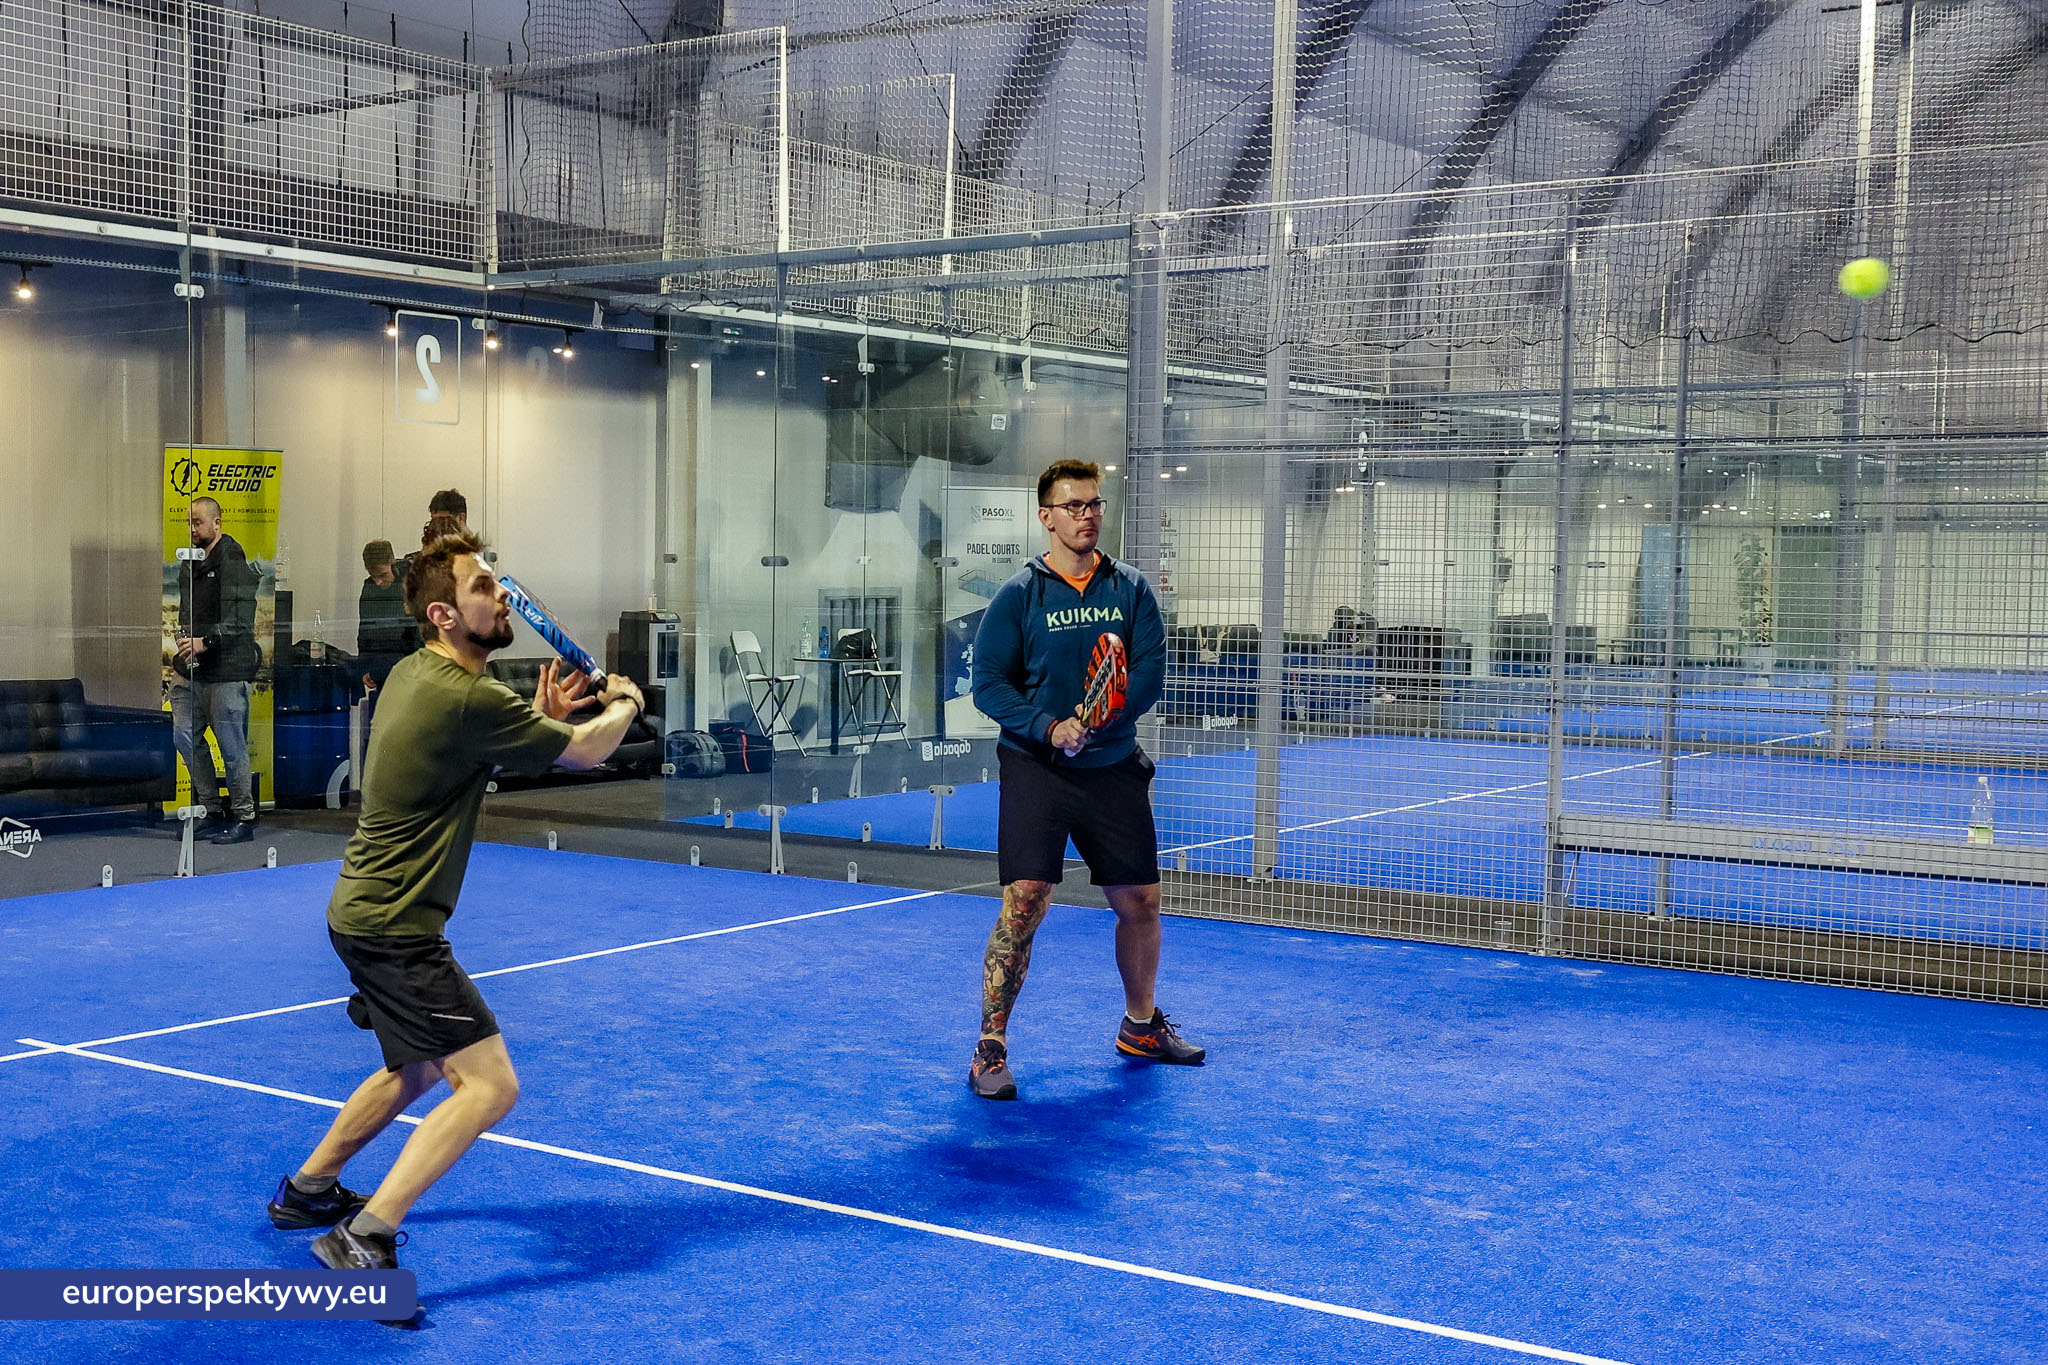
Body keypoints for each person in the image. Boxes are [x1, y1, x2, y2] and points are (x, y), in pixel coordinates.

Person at [265, 530, 644, 1314]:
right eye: (483, 588)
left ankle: (308, 1189)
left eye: (499, 585)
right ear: (443, 612)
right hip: (397, 926)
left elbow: (474, 748)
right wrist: (627, 701)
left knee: (415, 1066)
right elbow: (584, 752)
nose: (501, 596)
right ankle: (363, 1236)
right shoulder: (466, 695)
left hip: (364, 911)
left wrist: (528, 722)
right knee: (489, 1084)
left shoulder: (420, 672)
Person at [965, 459, 1204, 1101]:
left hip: (1112, 766)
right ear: (1046, 517)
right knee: (1026, 899)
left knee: (1141, 902)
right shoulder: (1020, 595)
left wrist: (1101, 719)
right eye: (1073, 506)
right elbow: (988, 683)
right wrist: (1049, 726)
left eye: (1095, 504)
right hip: (1037, 767)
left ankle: (1140, 1027)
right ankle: (990, 1046)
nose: (1088, 515)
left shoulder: (1130, 589)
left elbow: (1149, 671)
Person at [172, 497, 261, 845]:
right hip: (191, 669)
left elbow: (242, 620)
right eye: (189, 523)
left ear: (217, 523)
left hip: (227, 669)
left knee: (231, 745)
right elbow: (185, 611)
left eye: (198, 522)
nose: (193, 529)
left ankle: (244, 816)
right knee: (183, 735)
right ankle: (210, 809)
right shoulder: (188, 562)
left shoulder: (233, 560)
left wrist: (205, 642)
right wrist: (185, 642)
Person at [356, 540, 418, 692]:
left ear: (393, 562)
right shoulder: (369, 587)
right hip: (381, 667)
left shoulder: (410, 583)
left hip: (410, 666)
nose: (378, 582)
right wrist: (364, 667)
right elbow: (364, 633)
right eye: (373, 576)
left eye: (383, 575)